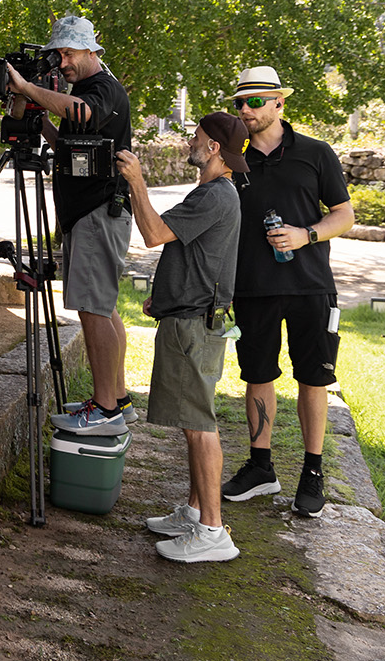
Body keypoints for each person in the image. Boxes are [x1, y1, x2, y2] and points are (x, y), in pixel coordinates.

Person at [222, 66, 354, 517]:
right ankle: (261, 467)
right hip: (252, 286)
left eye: (254, 101)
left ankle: (312, 471)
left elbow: (344, 214)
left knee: (313, 378)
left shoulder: (316, 153)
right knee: (257, 374)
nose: (245, 110)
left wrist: (306, 236)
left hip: (310, 287)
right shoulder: (232, 157)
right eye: (239, 102)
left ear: (279, 102)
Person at [117, 114, 246, 562]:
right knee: (194, 424)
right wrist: (167, 296)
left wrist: (136, 181)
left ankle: (213, 531)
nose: (190, 142)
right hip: (188, 317)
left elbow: (154, 234)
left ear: (214, 149)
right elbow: (189, 253)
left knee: (199, 426)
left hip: (195, 326)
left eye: (196, 138)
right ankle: (195, 513)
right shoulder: (214, 192)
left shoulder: (216, 194)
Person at [6, 15, 134, 436]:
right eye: (59, 54)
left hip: (99, 212)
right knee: (103, 307)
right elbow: (68, 143)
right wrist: (39, 116)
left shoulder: (102, 90)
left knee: (93, 309)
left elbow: (82, 112)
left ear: (91, 51)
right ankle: (116, 399)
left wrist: (27, 88)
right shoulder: (87, 90)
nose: (62, 62)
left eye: (69, 53)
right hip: (89, 213)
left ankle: (105, 409)